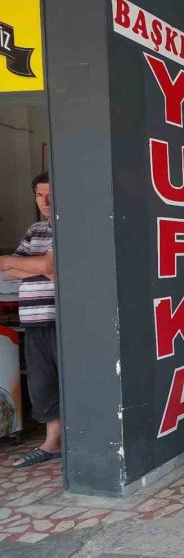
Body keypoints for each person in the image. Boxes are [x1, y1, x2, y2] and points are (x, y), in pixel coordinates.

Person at [0, 173, 60, 467]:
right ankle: (53, 443)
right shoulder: (35, 229)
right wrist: (38, 268)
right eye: (39, 195)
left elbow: (51, 266)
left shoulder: (70, 223)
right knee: (42, 384)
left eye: (50, 194)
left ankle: (70, 439)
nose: (45, 201)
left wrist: (32, 265)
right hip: (33, 318)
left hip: (62, 317)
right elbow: (6, 267)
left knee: (69, 379)